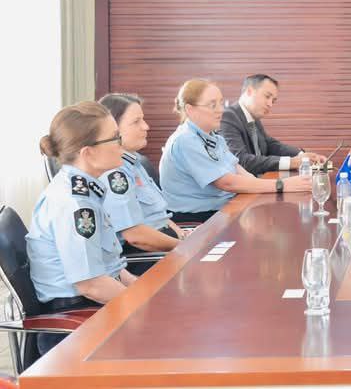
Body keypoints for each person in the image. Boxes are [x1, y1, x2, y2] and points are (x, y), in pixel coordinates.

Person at [27, 102, 137, 355]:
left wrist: (143, 290)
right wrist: (143, 305)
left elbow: (109, 267)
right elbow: (91, 285)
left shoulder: (85, 190)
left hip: (93, 305)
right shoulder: (75, 204)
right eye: (114, 137)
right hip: (78, 321)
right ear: (88, 153)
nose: (120, 143)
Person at [159, 79, 311, 223]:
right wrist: (281, 185)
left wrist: (273, 186)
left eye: (221, 103)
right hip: (199, 217)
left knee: (274, 213)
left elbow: (238, 168)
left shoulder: (214, 137)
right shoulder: (185, 140)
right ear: (190, 109)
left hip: (224, 207)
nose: (220, 110)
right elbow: (227, 183)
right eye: (212, 105)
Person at [97, 94, 186, 264]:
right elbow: (136, 237)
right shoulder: (113, 172)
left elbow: (159, 216)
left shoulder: (135, 163)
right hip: (145, 255)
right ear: (112, 129)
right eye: (136, 122)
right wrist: (186, 247)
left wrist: (183, 236)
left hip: (166, 244)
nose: (146, 126)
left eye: (143, 120)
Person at [220, 74, 327, 175]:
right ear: (249, 91)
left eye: (273, 101)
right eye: (267, 96)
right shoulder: (228, 117)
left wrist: (302, 156)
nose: (270, 104)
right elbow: (241, 161)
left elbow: (270, 145)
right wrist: (292, 162)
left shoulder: (253, 118)